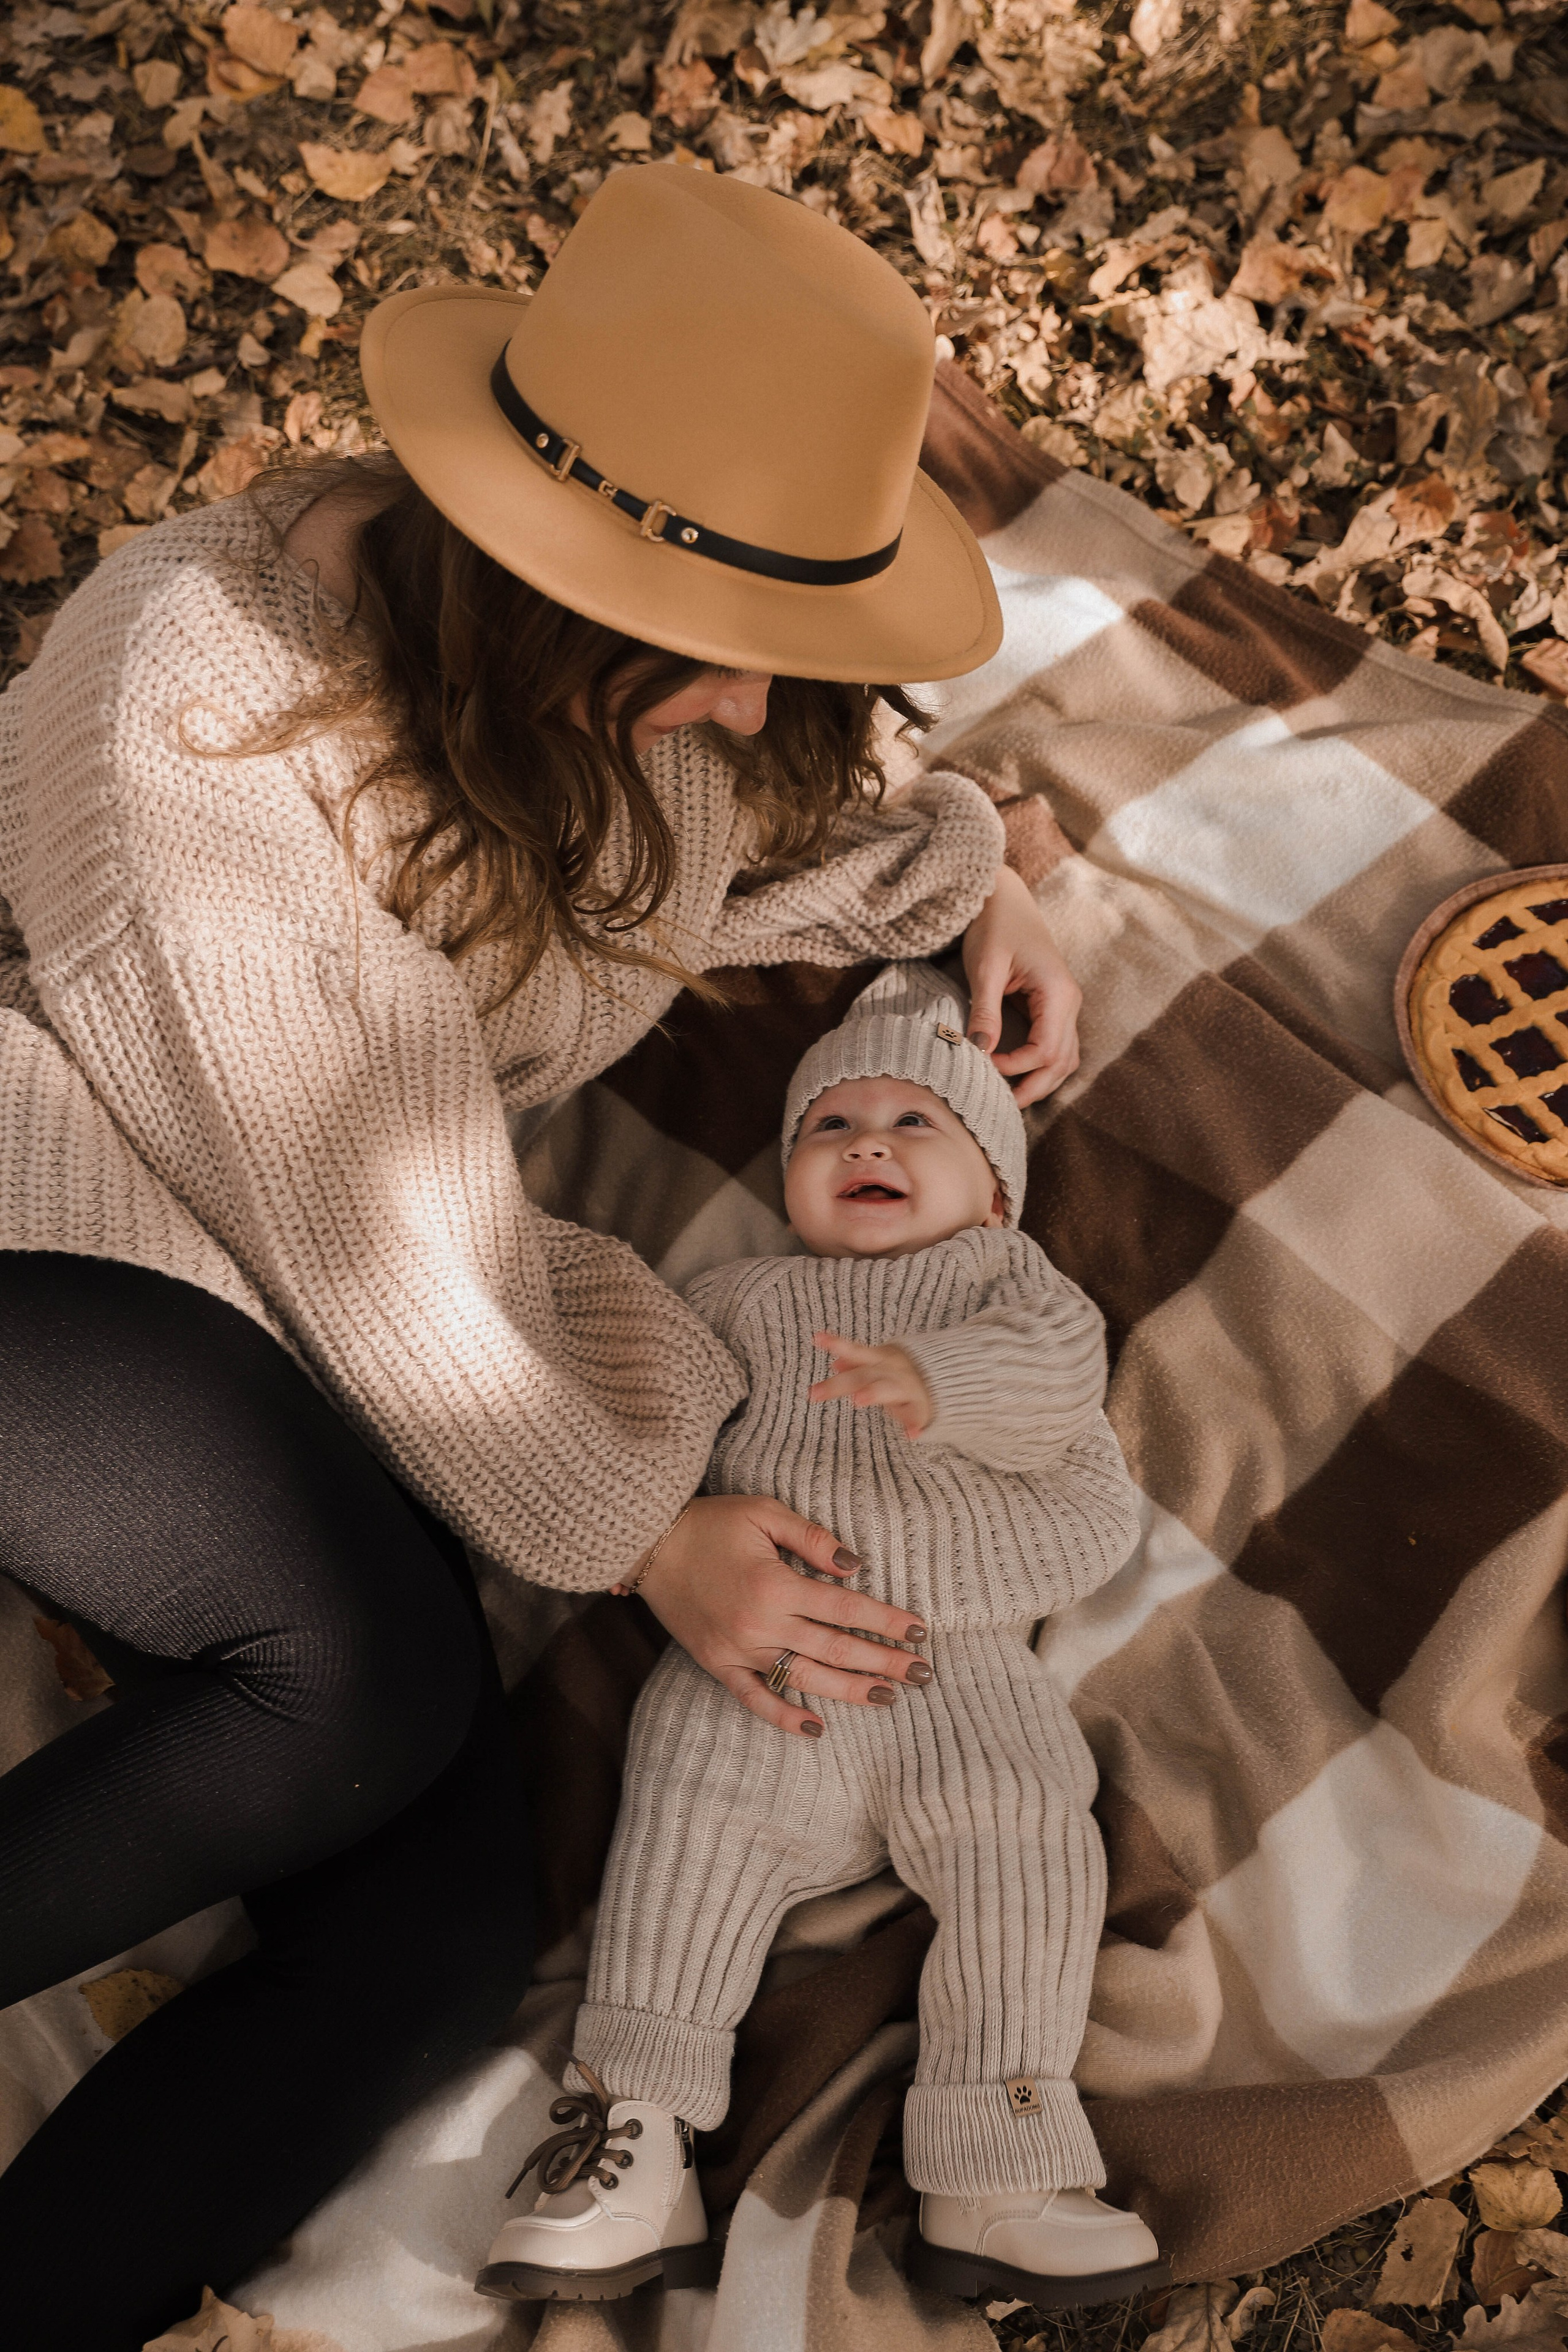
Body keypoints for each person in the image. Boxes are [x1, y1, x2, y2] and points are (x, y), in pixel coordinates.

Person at [0, 163, 1084, 2345]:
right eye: (716, 653)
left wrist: (990, 872)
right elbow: (353, 1203)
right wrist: (645, 1519)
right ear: (546, 583)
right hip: (56, 1199)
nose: (744, 711)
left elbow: (745, 835)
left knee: (433, 1946)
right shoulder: (193, 689)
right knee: (357, 1684)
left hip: (267, 1288)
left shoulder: (609, 690)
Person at [476, 961, 1165, 2313]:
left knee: (1027, 1841)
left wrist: (935, 1380)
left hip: (958, 1668)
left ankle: (997, 2157)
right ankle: (630, 2135)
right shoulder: (737, 1300)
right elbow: (649, 1421)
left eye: (915, 1124)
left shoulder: (1010, 1282)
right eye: (829, 1126)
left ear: (997, 1189)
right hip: (765, 1661)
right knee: (686, 1829)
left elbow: (1051, 1389)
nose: (865, 1144)